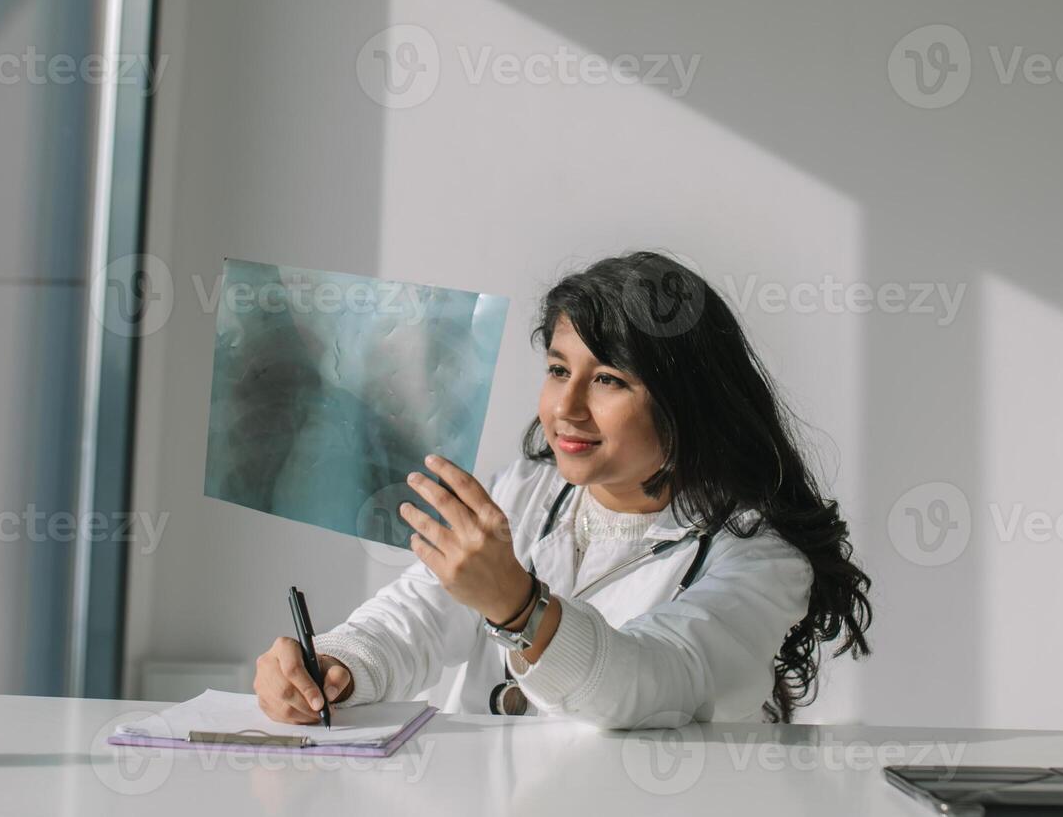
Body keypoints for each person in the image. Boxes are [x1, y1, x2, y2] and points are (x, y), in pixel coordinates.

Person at [252, 251, 873, 729]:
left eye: (608, 379)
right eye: (557, 370)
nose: (566, 408)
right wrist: (333, 667)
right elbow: (410, 619)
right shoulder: (520, 493)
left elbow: (653, 683)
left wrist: (520, 608)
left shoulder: (759, 558)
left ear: (687, 404)